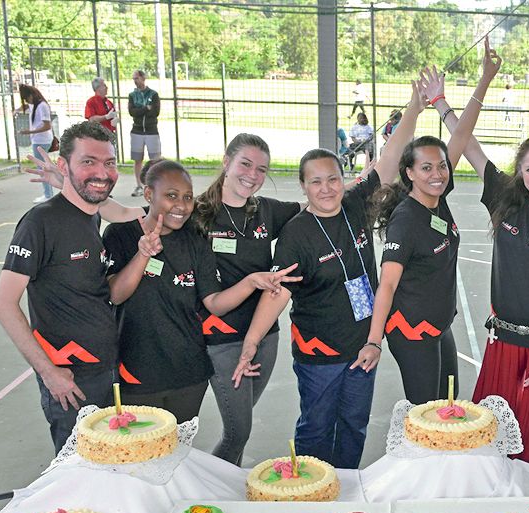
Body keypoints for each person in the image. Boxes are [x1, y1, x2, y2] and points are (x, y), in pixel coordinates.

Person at [27, 133, 306, 465]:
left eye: (262, 168)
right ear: (226, 163)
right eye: (245, 163)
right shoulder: (168, 220)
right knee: (167, 444)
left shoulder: (234, 220)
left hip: (224, 352)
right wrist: (68, 183)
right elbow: (124, 231)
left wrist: (355, 184)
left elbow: (319, 202)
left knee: (187, 445)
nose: (253, 174)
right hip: (175, 355)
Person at [231, 82, 425, 469]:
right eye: (316, 181)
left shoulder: (354, 204)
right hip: (319, 354)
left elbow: (387, 160)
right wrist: (251, 342)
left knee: (354, 426)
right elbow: (277, 294)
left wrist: (414, 110)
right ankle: (314, 493)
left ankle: (348, 492)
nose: (326, 188)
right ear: (303, 186)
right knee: (316, 430)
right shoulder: (296, 234)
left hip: (363, 347)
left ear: (343, 179)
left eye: (333, 178)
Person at [423, 60, 529, 466]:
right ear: (520, 172)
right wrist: (442, 103)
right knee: (490, 435)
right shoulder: (505, 198)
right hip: (503, 343)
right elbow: (470, 146)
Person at [102, 160, 298, 422]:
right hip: (137, 370)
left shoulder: (195, 239)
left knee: (181, 451)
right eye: (171, 196)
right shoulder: (120, 234)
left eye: (188, 197)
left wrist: (251, 281)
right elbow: (115, 294)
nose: (181, 206)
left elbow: (215, 303)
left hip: (188, 373)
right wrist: (143, 254)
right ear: (149, 194)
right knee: (140, 452)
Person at [365, 51, 486, 404]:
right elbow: (386, 286)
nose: (437, 174)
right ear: (410, 174)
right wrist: (374, 341)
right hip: (412, 330)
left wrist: (479, 83)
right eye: (427, 168)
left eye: (441, 167)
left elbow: (462, 136)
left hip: (438, 326)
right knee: (425, 415)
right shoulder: (406, 219)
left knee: (450, 402)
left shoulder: (438, 197)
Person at [0, 121, 120, 452]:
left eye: (109, 162)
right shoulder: (39, 223)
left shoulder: (92, 214)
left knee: (108, 464)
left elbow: (128, 211)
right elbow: (4, 304)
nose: (102, 173)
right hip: (70, 379)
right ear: (64, 165)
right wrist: (49, 372)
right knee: (74, 475)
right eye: (88, 161)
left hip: (106, 367)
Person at [17, 84, 55, 203]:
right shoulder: (35, 105)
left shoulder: (42, 106)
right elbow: (26, 106)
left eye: (27, 98)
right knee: (43, 166)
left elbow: (47, 125)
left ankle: (48, 194)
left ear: (31, 95)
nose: (27, 101)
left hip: (41, 140)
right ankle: (48, 193)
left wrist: (30, 131)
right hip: (39, 140)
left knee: (42, 167)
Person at [128, 70, 161, 197]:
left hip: (151, 130)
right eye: (133, 79)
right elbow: (132, 112)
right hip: (137, 131)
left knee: (155, 159)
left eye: (136, 78)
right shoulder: (132, 95)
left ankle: (156, 184)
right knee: (138, 159)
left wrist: (142, 110)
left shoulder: (153, 94)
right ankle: (139, 185)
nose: (135, 81)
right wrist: (145, 108)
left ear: (143, 78)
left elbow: (155, 111)